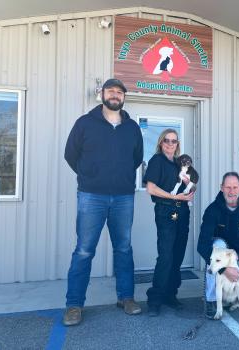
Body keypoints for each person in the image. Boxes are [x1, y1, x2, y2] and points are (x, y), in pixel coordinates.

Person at [63, 78, 144, 326]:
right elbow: (70, 154)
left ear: (123, 97)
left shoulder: (132, 128)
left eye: (120, 92)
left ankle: (126, 298)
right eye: (111, 91)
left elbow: (137, 158)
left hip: (123, 197)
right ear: (102, 94)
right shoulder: (85, 123)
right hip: (91, 196)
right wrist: (90, 177)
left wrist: (121, 179)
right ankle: (74, 305)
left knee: (123, 248)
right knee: (84, 250)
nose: (115, 95)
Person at [197, 172, 239, 319]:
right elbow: (202, 245)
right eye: (228, 187)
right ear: (221, 188)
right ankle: (211, 299)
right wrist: (223, 269)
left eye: (234, 187)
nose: (231, 191)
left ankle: (230, 300)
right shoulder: (212, 210)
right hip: (221, 258)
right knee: (218, 245)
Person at [143, 129, 194, 316]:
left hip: (183, 211)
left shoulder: (180, 164)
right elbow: (151, 188)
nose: (170, 144)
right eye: (167, 140)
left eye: (174, 141)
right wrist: (175, 197)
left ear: (177, 144)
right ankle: (155, 299)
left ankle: (170, 294)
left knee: (177, 255)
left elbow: (187, 186)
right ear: (160, 142)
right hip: (166, 211)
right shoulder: (157, 161)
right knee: (165, 256)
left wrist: (188, 193)